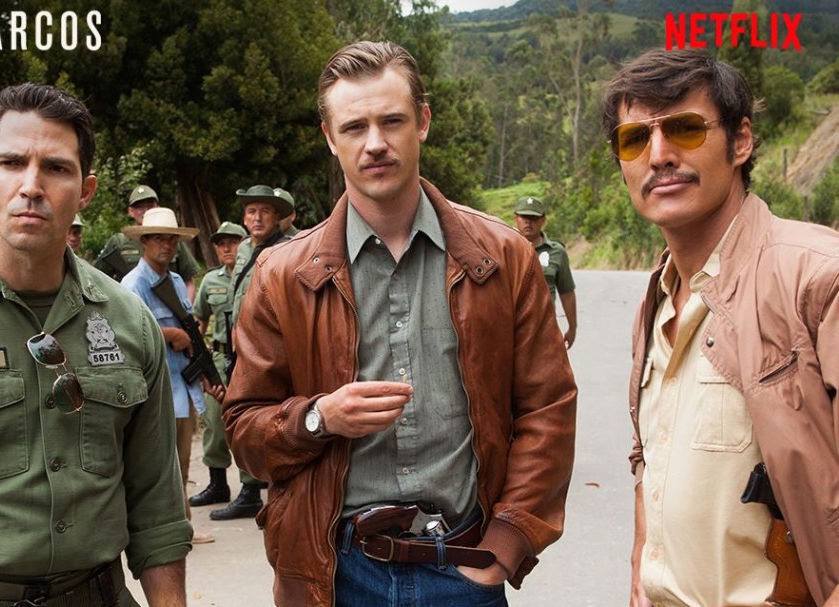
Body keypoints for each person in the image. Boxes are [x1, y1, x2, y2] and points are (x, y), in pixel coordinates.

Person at [224, 40, 577, 607]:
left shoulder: (503, 257)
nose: (375, 143)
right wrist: (319, 418)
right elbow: (244, 431)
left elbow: (548, 408)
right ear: (330, 138)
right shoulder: (282, 275)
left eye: (392, 121)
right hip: (334, 575)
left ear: (423, 122)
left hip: (465, 567)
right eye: (354, 127)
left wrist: (506, 545)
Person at [0, 82, 191, 606]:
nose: (31, 186)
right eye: (11, 163)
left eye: (55, 167)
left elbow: (158, 509)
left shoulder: (129, 322)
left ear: (85, 189)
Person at [602, 49, 839, 607]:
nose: (658, 155)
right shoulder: (659, 298)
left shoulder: (817, 280)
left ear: (741, 141)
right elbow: (650, 454)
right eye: (634, 139)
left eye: (684, 129)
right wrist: (642, 564)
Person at [120, 207, 214, 545]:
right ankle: (165, 532)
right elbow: (128, 333)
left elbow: (190, 330)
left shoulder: (175, 282)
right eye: (159, 238)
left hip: (182, 386)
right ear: (144, 241)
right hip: (155, 389)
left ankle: (182, 524)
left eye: (172, 240)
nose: (166, 245)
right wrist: (170, 335)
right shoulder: (133, 285)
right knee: (160, 466)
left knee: (182, 462)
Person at [208, 184, 294, 521]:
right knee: (243, 416)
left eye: (265, 212)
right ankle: (250, 490)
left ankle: (267, 491)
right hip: (240, 348)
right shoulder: (243, 249)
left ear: (277, 217)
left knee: (275, 417)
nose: (257, 218)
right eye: (251, 212)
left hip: (271, 347)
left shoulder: (288, 248)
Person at [187, 220, 247, 510]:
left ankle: (252, 487)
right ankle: (218, 483)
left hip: (249, 360)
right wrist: (198, 360)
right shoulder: (211, 281)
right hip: (220, 360)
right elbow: (199, 319)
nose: (226, 248)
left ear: (244, 244)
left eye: (232, 242)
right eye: (221, 243)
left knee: (248, 421)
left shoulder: (257, 273)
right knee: (213, 422)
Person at [94, 185, 199, 302]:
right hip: (131, 303)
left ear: (157, 207)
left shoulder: (174, 240)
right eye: (139, 207)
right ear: (131, 211)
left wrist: (185, 308)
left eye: (150, 206)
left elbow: (188, 280)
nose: (145, 211)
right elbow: (97, 278)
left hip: (171, 304)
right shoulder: (119, 242)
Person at [513, 196, 577, 348]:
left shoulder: (557, 252)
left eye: (533, 218)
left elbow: (567, 293)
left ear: (543, 220)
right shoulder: (504, 249)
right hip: (510, 330)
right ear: (515, 218)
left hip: (544, 329)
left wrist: (572, 327)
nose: (528, 222)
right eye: (524, 217)